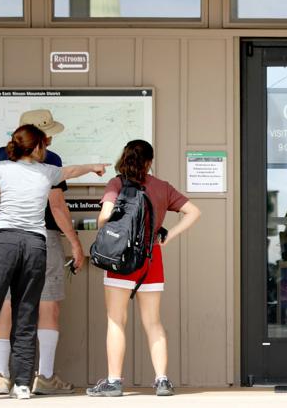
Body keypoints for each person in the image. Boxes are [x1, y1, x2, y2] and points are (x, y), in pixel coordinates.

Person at [0, 125, 108, 401]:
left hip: (3, 242)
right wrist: (94, 167)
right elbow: (72, 170)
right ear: (36, 148)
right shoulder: (47, 172)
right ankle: (22, 383)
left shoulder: (1, 169)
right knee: (27, 312)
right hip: (35, 244)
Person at [87, 140, 201, 397]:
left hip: (121, 259)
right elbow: (194, 212)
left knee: (116, 320)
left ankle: (114, 382)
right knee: (153, 322)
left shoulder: (117, 184)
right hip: (151, 259)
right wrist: (168, 235)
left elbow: (103, 219)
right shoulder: (162, 187)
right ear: (150, 161)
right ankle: (162, 380)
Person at [0, 110, 83, 396]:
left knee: (6, 303)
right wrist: (75, 244)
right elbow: (57, 205)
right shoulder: (48, 159)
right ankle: (45, 376)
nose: (51, 138)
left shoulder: (0, 157)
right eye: (48, 133)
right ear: (40, 136)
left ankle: (2, 376)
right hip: (42, 236)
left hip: (2, 237)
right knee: (47, 303)